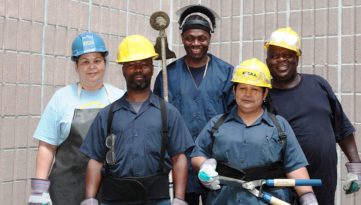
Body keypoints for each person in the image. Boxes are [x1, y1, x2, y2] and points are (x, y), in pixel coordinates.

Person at [79, 35, 194, 205]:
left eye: (144, 64)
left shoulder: (168, 113)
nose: (138, 69)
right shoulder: (107, 115)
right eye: (132, 65)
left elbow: (179, 158)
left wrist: (179, 198)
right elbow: (96, 160)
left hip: (157, 199)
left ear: (152, 68)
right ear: (123, 69)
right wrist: (89, 198)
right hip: (114, 199)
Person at [191, 58, 319, 205]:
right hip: (224, 200)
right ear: (234, 91)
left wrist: (308, 197)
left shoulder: (279, 125)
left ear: (265, 94)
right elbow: (197, 153)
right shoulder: (216, 124)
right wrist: (205, 166)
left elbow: (295, 166)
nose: (248, 94)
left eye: (255, 89)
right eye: (242, 88)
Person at [264, 27, 361, 205]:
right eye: (274, 55)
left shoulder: (318, 84)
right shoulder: (263, 96)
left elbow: (342, 128)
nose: (281, 60)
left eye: (287, 55)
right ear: (267, 60)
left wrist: (355, 168)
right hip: (282, 186)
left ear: (297, 57)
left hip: (323, 183)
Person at [27, 32, 124, 205]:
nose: (92, 67)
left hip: (110, 190)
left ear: (105, 64)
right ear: (76, 66)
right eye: (85, 61)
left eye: (97, 60)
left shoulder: (119, 98)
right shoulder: (62, 98)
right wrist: (38, 192)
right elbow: (47, 147)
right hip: (65, 191)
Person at [153, 5, 234, 204]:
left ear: (210, 38)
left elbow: (235, 117)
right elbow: (157, 118)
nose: (195, 43)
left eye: (202, 38)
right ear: (182, 37)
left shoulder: (226, 73)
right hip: (179, 164)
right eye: (190, 38)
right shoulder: (167, 74)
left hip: (216, 163)